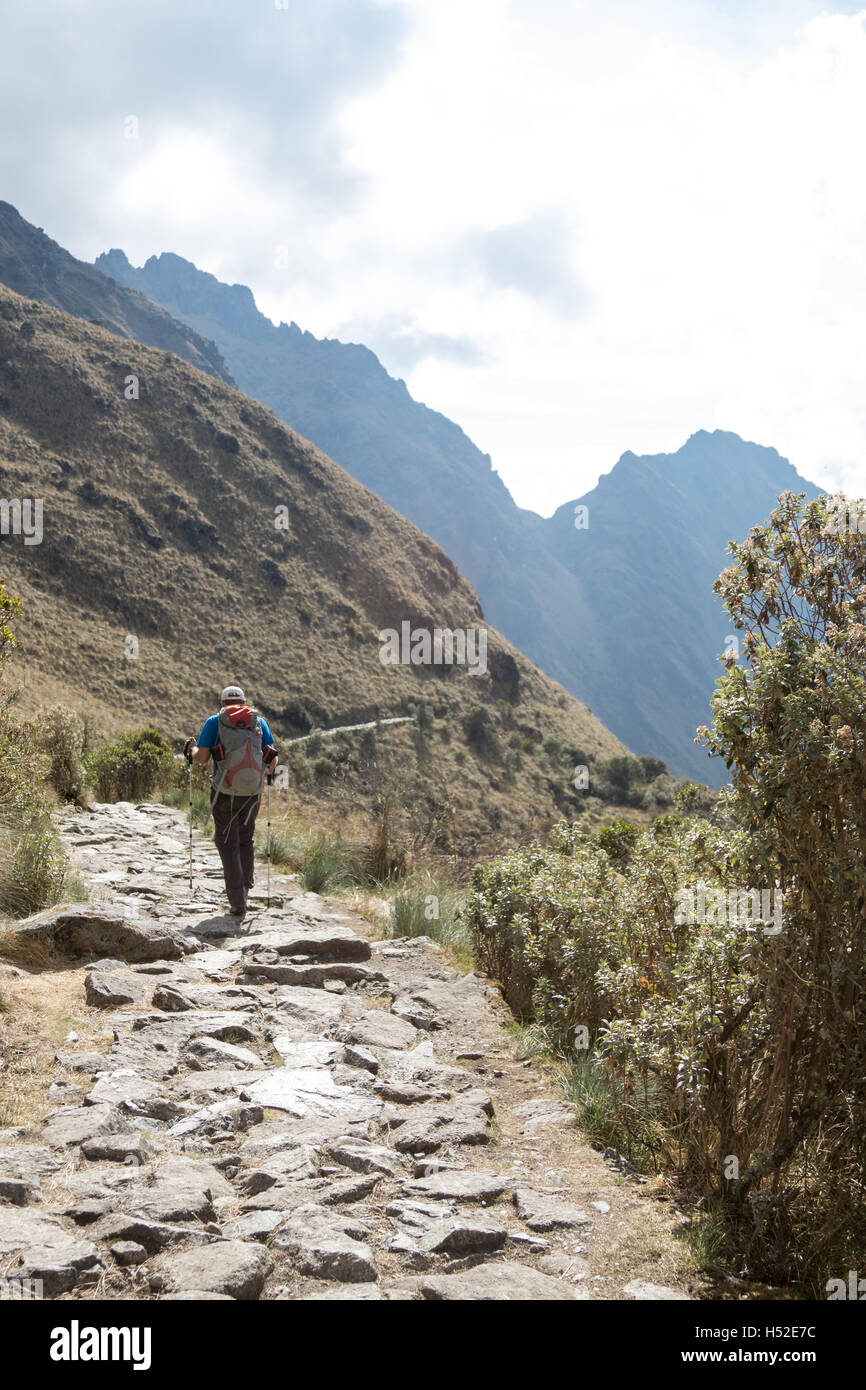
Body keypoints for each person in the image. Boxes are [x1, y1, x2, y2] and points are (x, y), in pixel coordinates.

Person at [184, 685, 278, 918]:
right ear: (244, 701)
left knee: (227, 842)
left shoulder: (214, 722)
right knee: (245, 839)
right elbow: (272, 760)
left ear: (222, 703)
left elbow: (203, 758)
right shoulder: (258, 722)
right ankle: (245, 887)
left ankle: (237, 901)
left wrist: (192, 749)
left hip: (223, 791)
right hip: (253, 793)